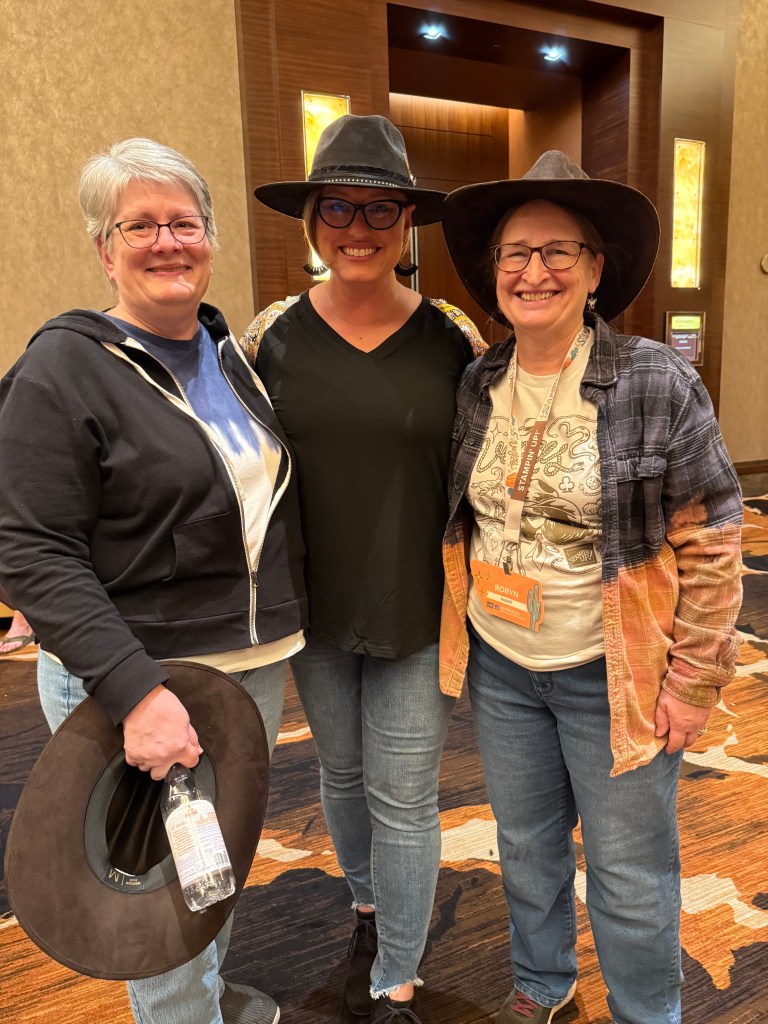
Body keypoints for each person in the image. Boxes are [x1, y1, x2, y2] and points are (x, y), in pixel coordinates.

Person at [0, 137, 308, 1024]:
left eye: (185, 222)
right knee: (153, 897)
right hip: (135, 677)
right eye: (140, 226)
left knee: (214, 863)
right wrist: (135, 694)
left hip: (242, 670)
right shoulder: (64, 366)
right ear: (105, 250)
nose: (168, 242)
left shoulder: (226, 353)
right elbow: (30, 548)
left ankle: (205, 1002)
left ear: (210, 237)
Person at [441, 151, 743, 1024]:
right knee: (526, 846)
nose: (533, 271)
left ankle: (647, 1012)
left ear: (596, 268)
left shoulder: (654, 379)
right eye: (515, 253)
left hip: (617, 673)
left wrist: (694, 681)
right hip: (503, 664)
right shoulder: (479, 382)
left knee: (628, 870)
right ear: (494, 270)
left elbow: (714, 538)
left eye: (557, 251)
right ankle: (543, 983)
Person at [241, 114, 485, 1023]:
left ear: (408, 222)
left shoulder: (453, 337)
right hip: (310, 604)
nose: (358, 227)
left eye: (381, 209)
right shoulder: (270, 337)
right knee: (341, 775)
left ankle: (398, 974)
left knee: (405, 793)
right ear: (311, 219)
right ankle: (369, 908)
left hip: (419, 604)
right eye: (337, 207)